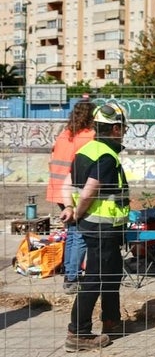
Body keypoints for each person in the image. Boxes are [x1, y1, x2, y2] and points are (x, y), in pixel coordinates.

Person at [60, 102, 130, 352]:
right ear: (114, 129)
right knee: (95, 279)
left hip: (101, 228)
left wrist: (68, 207)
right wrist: (77, 212)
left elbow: (67, 181)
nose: (124, 132)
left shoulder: (86, 150)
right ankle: (78, 332)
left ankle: (111, 321)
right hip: (101, 228)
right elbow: (91, 188)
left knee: (111, 273)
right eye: (122, 128)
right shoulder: (106, 156)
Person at [48, 100, 95, 294]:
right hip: (74, 191)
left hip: (57, 190)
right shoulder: (89, 136)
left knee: (72, 233)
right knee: (80, 236)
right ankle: (72, 278)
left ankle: (69, 272)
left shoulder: (64, 134)